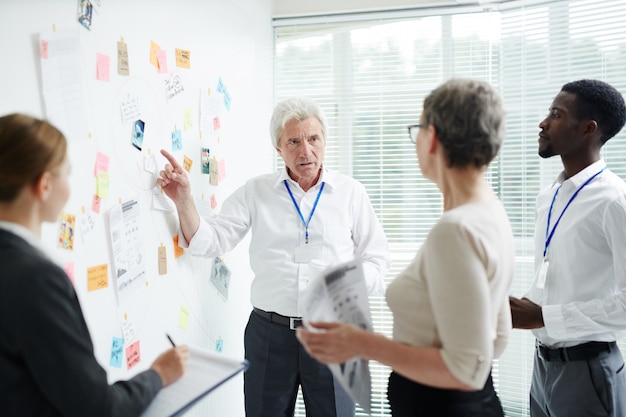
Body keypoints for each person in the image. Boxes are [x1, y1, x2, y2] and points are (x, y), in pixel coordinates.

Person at [157, 96, 391, 417]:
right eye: (293, 141)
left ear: (324, 142)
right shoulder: (256, 192)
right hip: (269, 335)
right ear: (278, 149)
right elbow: (207, 243)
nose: (305, 151)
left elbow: (378, 265)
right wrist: (183, 199)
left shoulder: (352, 194)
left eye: (313, 139)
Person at [296, 78, 514, 417]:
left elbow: (465, 368)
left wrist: (362, 344)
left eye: (418, 129)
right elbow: (496, 340)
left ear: (432, 138)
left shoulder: (455, 230)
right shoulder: (490, 211)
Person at [0, 113, 190, 417]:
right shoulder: (36, 280)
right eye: (67, 173)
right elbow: (99, 408)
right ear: (45, 185)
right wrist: (158, 374)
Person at [509, 79, 626, 417]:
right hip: (542, 368)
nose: (543, 123)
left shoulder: (615, 201)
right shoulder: (549, 196)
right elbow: (558, 274)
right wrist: (526, 305)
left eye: (556, 114)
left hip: (588, 370)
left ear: (588, 129)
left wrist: (543, 316)